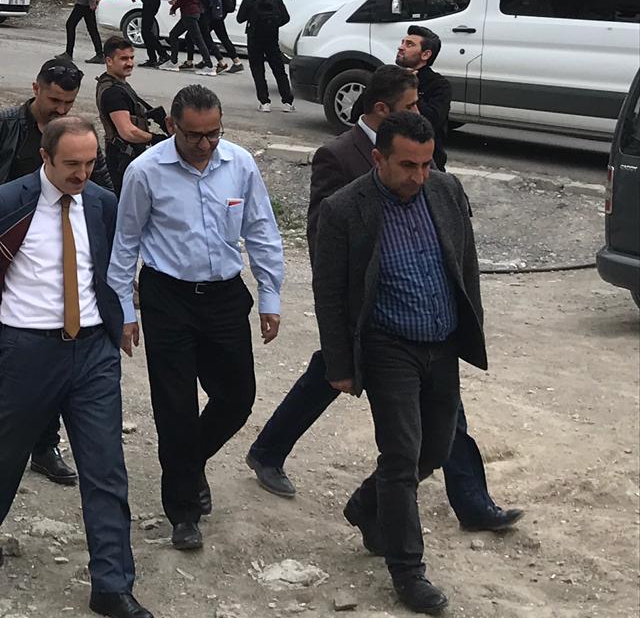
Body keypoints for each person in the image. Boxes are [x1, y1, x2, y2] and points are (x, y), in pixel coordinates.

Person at [247, 66, 522, 535]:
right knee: (368, 400)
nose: (418, 112)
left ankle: (468, 501)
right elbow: (324, 238)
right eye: (410, 105)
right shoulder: (338, 156)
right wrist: (344, 328)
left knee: (434, 419)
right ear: (382, 112)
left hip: (421, 314)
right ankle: (426, 521)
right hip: (371, 318)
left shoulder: (421, 156)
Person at [0, 117, 153, 618]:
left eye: (90, 163)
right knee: (8, 452)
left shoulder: (102, 203)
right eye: (71, 164)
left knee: (105, 468)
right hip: (30, 350)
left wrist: (125, 316)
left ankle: (111, 585)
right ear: (45, 159)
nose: (82, 173)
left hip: (93, 351)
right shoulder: (9, 200)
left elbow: (113, 266)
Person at [314, 111, 487, 615]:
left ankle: (366, 505)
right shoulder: (345, 209)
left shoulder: (445, 191)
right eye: (407, 165)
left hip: (442, 343)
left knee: (434, 448)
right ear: (378, 158)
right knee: (400, 456)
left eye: (426, 164)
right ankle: (408, 571)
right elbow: (329, 292)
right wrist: (339, 363)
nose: (418, 176)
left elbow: (465, 263)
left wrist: (468, 333)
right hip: (389, 346)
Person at [110, 84, 284, 551]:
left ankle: (187, 463)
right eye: (194, 137)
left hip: (225, 295)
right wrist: (126, 309)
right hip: (168, 297)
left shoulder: (239, 164)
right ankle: (183, 512)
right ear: (171, 127)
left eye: (214, 134)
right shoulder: (145, 172)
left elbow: (262, 230)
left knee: (238, 397)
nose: (205, 145)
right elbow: (126, 241)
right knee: (175, 407)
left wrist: (270, 295)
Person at [0, 57, 116, 486]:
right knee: (17, 348)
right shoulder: (0, 124)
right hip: (4, 253)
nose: (61, 110)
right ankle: (12, 437)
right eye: (54, 101)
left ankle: (43, 445)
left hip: (60, 251)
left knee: (62, 338)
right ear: (36, 88)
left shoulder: (76, 138)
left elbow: (105, 186)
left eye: (69, 103)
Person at [95, 35, 167, 193]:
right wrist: (156, 139)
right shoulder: (113, 93)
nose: (129, 63)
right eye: (123, 59)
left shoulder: (118, 85)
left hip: (128, 157)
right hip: (123, 159)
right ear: (109, 61)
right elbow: (127, 131)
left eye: (131, 58)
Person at [236, 0, 294, 111]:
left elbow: (239, 19)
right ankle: (287, 102)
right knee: (278, 69)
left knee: (258, 69)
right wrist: (273, 24)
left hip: (254, 37)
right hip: (271, 37)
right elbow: (286, 18)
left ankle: (265, 102)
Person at [396, 26, 452, 170]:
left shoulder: (439, 85)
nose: (401, 47)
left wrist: (409, 88)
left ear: (425, 54)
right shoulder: (388, 78)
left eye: (409, 44)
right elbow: (358, 112)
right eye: (402, 42)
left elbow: (433, 120)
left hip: (426, 164)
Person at [166, 0, 215, 74]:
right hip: (195, 11)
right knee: (174, 35)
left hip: (188, 12)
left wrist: (174, 7)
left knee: (197, 39)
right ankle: (173, 62)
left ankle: (209, 65)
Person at [197, 0, 241, 74]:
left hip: (212, 14)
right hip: (219, 13)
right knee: (222, 37)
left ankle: (218, 61)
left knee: (204, 35)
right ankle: (237, 62)